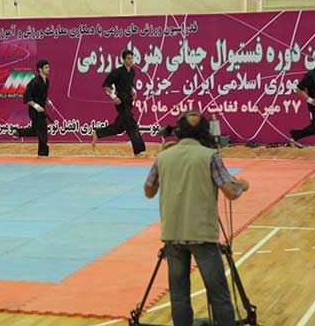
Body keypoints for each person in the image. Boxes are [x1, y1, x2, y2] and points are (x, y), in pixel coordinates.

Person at [144, 110, 250, 326]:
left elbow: (149, 191)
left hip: (172, 235)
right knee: (218, 294)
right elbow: (230, 192)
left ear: (179, 131)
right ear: (205, 133)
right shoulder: (210, 156)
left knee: (178, 296)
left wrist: (164, 162)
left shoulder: (164, 156)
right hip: (202, 235)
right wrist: (242, 185)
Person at [92, 49, 146, 156]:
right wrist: (113, 96)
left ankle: (97, 133)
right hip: (121, 102)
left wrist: (133, 91)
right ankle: (138, 151)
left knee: (119, 127)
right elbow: (106, 85)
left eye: (132, 58)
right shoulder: (117, 72)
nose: (131, 60)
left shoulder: (132, 71)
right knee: (131, 125)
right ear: (124, 60)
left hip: (128, 101)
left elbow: (130, 85)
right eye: (128, 58)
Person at [10, 59, 53, 157]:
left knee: (36, 131)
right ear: (40, 69)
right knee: (42, 133)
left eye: (48, 67)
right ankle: (43, 155)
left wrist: (50, 103)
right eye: (46, 67)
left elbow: (44, 96)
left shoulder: (46, 81)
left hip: (41, 110)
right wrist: (36, 106)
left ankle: (17, 132)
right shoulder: (35, 82)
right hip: (34, 111)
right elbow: (27, 97)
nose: (49, 69)